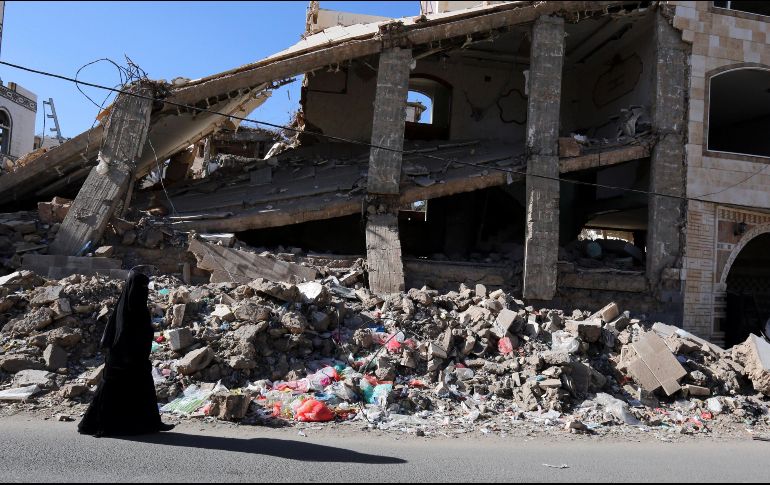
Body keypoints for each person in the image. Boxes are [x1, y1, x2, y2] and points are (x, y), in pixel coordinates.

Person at [78, 269, 175, 437]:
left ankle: (151, 423)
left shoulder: (138, 308)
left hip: (138, 358)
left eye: (145, 287)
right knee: (112, 390)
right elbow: (121, 336)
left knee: (143, 389)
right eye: (140, 286)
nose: (143, 290)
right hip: (121, 359)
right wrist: (127, 355)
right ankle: (98, 424)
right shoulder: (126, 311)